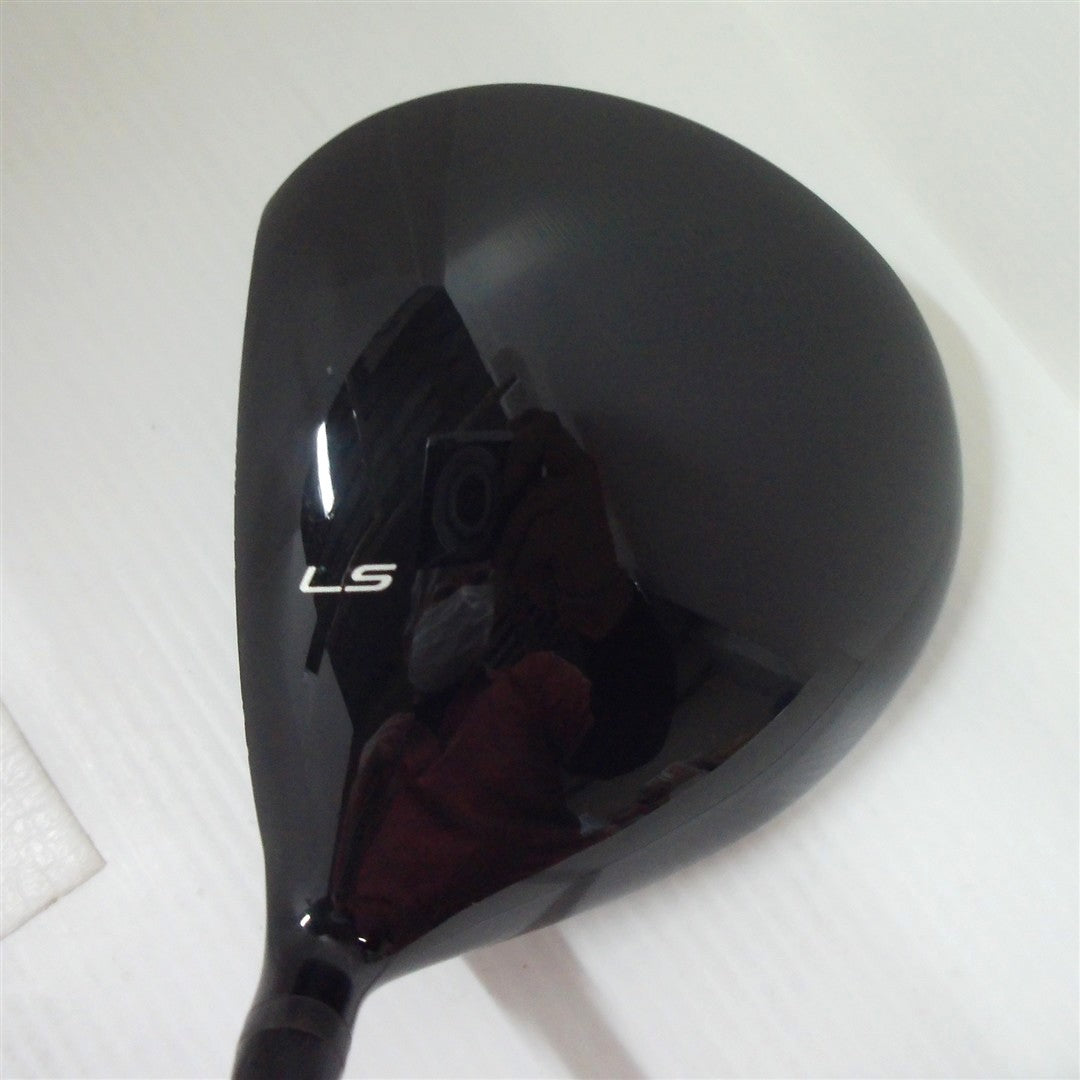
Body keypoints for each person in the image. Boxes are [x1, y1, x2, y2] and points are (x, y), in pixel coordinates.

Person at [322, 410, 676, 954]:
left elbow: (631, 734)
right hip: (411, 967)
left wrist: (602, 597)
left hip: (563, 926)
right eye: (444, 595)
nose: (464, 601)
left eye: (476, 585)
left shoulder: (524, 687)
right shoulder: (383, 747)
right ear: (409, 637)